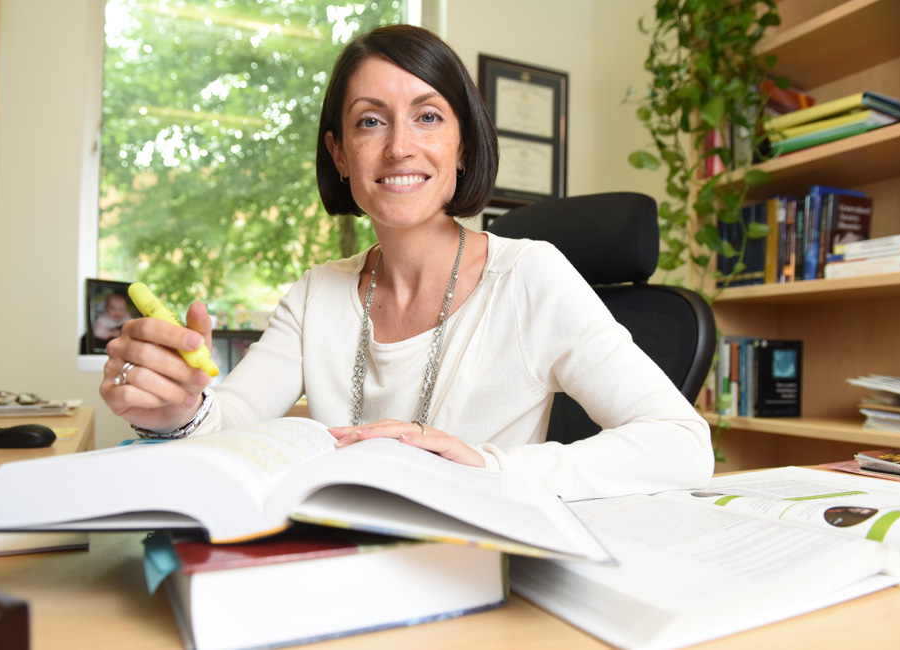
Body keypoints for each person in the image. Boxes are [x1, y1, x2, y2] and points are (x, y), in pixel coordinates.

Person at [99, 24, 713, 500]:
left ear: (462, 144)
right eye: (370, 122)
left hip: (480, 569)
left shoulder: (530, 277)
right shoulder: (317, 292)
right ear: (340, 154)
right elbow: (229, 423)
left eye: (428, 117)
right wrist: (177, 410)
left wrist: (487, 466)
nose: (399, 147)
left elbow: (683, 444)